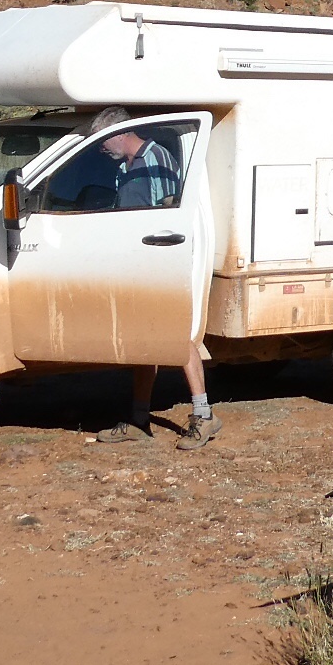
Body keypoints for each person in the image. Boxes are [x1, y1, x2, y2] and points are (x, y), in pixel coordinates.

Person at [80, 112, 221, 450]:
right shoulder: (126, 166)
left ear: (121, 133)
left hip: (159, 260)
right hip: (136, 261)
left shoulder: (157, 158)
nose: (103, 148)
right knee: (147, 338)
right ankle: (138, 418)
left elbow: (170, 207)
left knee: (174, 335)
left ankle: (204, 414)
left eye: (104, 140)